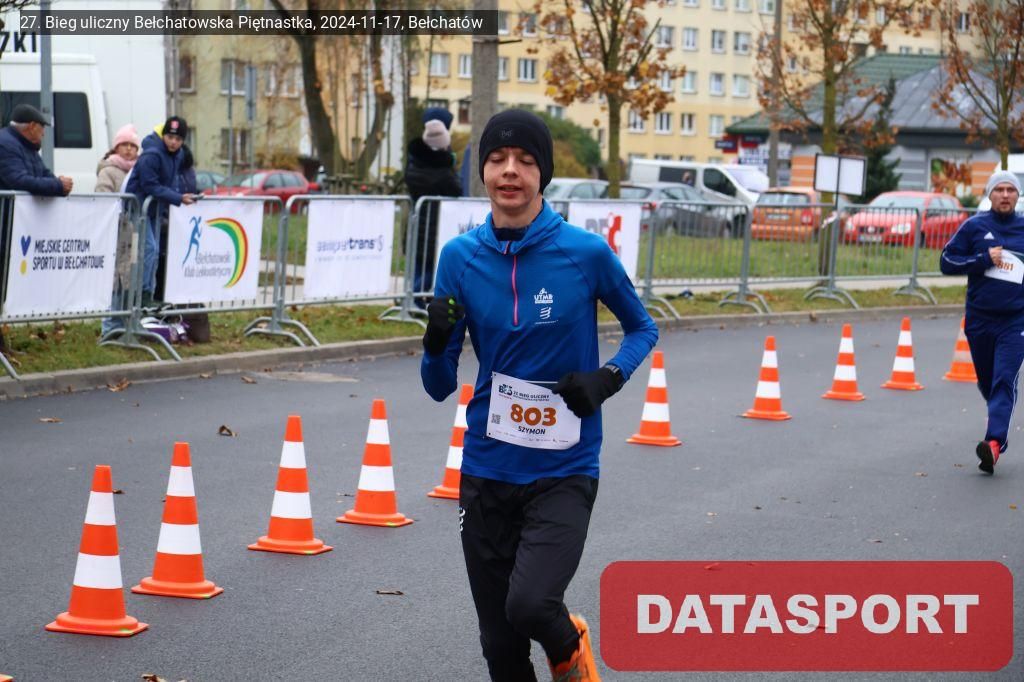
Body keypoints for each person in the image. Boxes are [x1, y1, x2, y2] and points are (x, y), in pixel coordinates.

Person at [420, 109, 658, 680]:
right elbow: (439, 386)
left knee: (529, 606)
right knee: (500, 646)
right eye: (498, 160)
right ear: (483, 171)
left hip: (564, 468)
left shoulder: (585, 253)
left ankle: (569, 643)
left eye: (526, 161)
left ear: (542, 174)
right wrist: (434, 342)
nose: (510, 171)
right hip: (487, 468)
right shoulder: (459, 258)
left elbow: (642, 328)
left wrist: (608, 377)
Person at [940, 169, 1024, 474]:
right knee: (989, 382)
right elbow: (946, 262)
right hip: (979, 319)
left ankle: (994, 443)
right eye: (999, 189)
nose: (1005, 194)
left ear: (1017, 195)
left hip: (1016, 321)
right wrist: (983, 260)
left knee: (1004, 379)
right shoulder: (974, 227)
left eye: (1011, 190)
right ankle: (998, 411)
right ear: (990, 194)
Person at [0, 103, 73, 352]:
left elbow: (43, 174)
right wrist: (57, 186)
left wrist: (58, 184)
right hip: (5, 225)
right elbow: (17, 180)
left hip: (14, 228)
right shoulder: (6, 144)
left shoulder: (28, 148)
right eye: (42, 128)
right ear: (31, 126)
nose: (43, 134)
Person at [126, 116, 198, 309]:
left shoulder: (178, 155)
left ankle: (149, 294)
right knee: (149, 249)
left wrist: (184, 195)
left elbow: (172, 181)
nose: (173, 142)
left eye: (178, 139)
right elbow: (149, 185)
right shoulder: (152, 155)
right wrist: (177, 198)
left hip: (153, 210)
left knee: (155, 251)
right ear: (163, 136)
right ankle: (141, 295)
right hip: (138, 208)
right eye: (170, 137)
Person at [405, 107, 462, 303]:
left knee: (419, 263)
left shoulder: (414, 161)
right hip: (435, 222)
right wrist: (449, 164)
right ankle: (415, 297)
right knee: (431, 264)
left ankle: (412, 298)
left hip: (418, 218)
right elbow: (456, 189)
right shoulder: (442, 168)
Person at [95, 124, 141, 335]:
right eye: (124, 144)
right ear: (116, 147)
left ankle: (125, 323)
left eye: (133, 145)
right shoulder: (108, 170)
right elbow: (103, 197)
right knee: (113, 280)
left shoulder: (137, 170)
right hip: (116, 232)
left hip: (133, 233)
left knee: (129, 279)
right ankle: (110, 325)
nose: (129, 149)